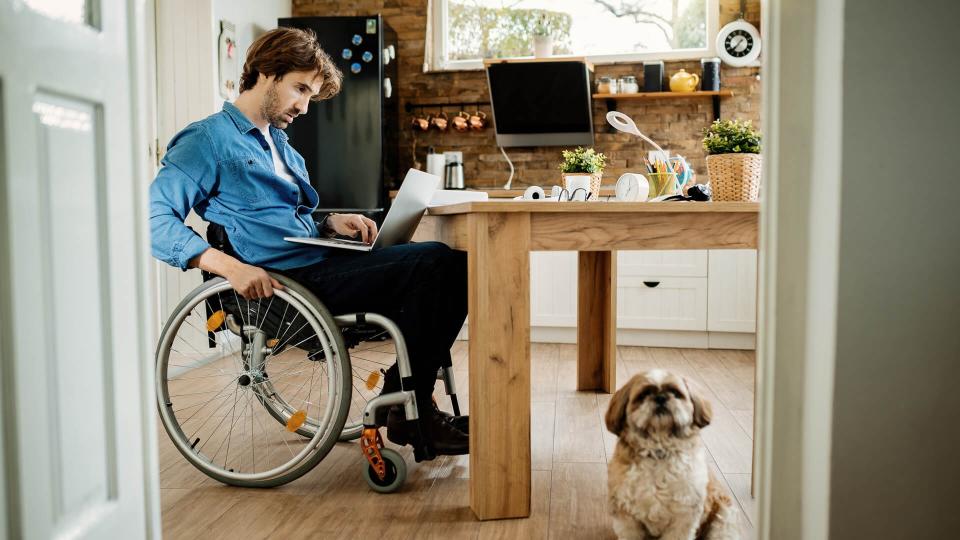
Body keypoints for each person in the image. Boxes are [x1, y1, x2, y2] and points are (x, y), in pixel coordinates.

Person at [150, 27, 468, 457]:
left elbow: (281, 222)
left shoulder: (280, 145)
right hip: (291, 285)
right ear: (265, 72)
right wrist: (228, 267)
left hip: (317, 265)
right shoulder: (206, 140)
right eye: (299, 89)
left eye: (310, 94)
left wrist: (331, 223)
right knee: (439, 265)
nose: (303, 106)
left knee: (447, 266)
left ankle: (407, 402)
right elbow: (153, 220)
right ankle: (408, 409)